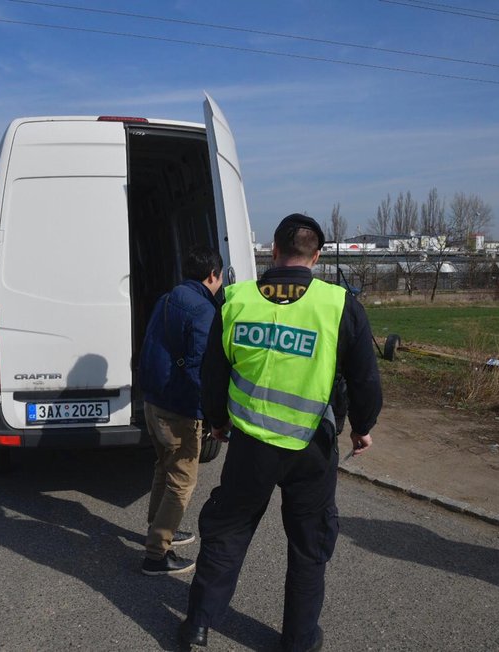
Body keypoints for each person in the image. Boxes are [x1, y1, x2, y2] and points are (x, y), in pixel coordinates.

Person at [179, 214, 383, 651]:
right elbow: (365, 378)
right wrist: (362, 428)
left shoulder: (236, 299)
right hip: (313, 446)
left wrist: (217, 421)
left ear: (273, 251)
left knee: (228, 532)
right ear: (318, 255)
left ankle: (197, 625)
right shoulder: (339, 304)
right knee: (309, 548)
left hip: (251, 444)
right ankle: (298, 640)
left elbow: (213, 373)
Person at [138, 246, 224, 576]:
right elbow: (200, 367)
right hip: (180, 408)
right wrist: (213, 412)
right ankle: (156, 554)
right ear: (213, 275)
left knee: (164, 466)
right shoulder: (204, 310)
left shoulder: (167, 298)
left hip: (154, 400)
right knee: (182, 480)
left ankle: (159, 531)